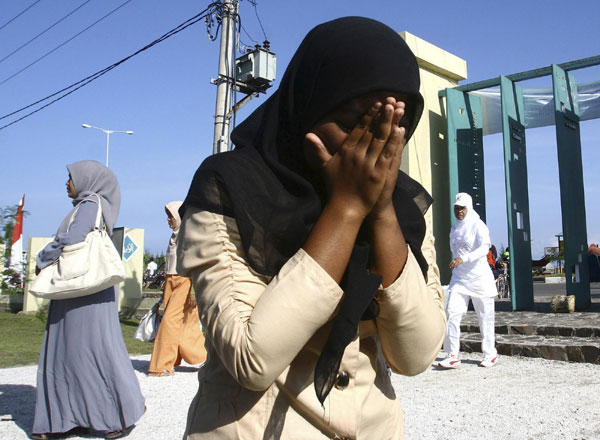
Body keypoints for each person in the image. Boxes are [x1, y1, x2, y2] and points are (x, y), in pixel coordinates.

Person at [177, 17, 446, 439]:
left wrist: (381, 214)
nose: (373, 146)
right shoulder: (231, 187)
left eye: (392, 126)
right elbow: (252, 359)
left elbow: (415, 356)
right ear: (309, 106)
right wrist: (346, 209)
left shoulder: (405, 208)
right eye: (358, 122)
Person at [32, 160, 145, 440]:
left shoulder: (90, 204)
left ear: (87, 180)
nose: (67, 183)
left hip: (84, 292)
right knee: (68, 350)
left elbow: (73, 238)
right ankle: (66, 417)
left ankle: (115, 414)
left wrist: (44, 257)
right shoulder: (90, 205)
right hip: (78, 291)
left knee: (89, 349)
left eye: (71, 178)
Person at [438, 192, 498, 369]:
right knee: (452, 313)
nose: (459, 212)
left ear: (469, 208)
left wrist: (464, 259)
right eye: (456, 208)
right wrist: (459, 262)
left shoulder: (478, 225)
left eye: (462, 208)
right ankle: (452, 355)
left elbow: (485, 247)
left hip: (480, 278)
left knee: (485, 317)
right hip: (460, 278)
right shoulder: (454, 228)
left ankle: (490, 354)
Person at [148, 201, 207, 376]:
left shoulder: (189, 236)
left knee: (170, 320)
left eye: (171, 216)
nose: (168, 220)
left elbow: (197, 261)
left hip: (184, 280)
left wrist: (195, 290)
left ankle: (162, 364)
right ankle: (199, 356)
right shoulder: (174, 236)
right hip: (170, 280)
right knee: (185, 321)